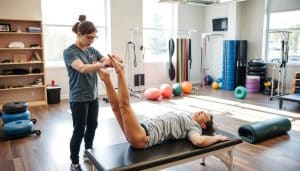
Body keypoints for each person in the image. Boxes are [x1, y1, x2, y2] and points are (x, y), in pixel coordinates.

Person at [97, 55, 229, 149]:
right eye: (203, 111)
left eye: (204, 115)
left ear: (203, 126)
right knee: (116, 108)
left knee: (124, 106)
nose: (201, 112)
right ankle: (106, 78)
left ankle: (120, 71)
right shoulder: (188, 116)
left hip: (142, 137)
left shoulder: (194, 127)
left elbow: (199, 141)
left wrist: (217, 138)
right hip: (141, 128)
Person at [63, 15, 112, 171]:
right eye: (89, 37)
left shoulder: (92, 50)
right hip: (78, 98)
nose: (91, 40)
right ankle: (74, 162)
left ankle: (88, 151)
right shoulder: (69, 52)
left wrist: (111, 59)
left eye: (94, 37)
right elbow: (82, 68)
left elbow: (105, 60)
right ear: (79, 34)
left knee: (93, 124)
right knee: (79, 129)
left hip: (92, 96)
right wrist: (100, 64)